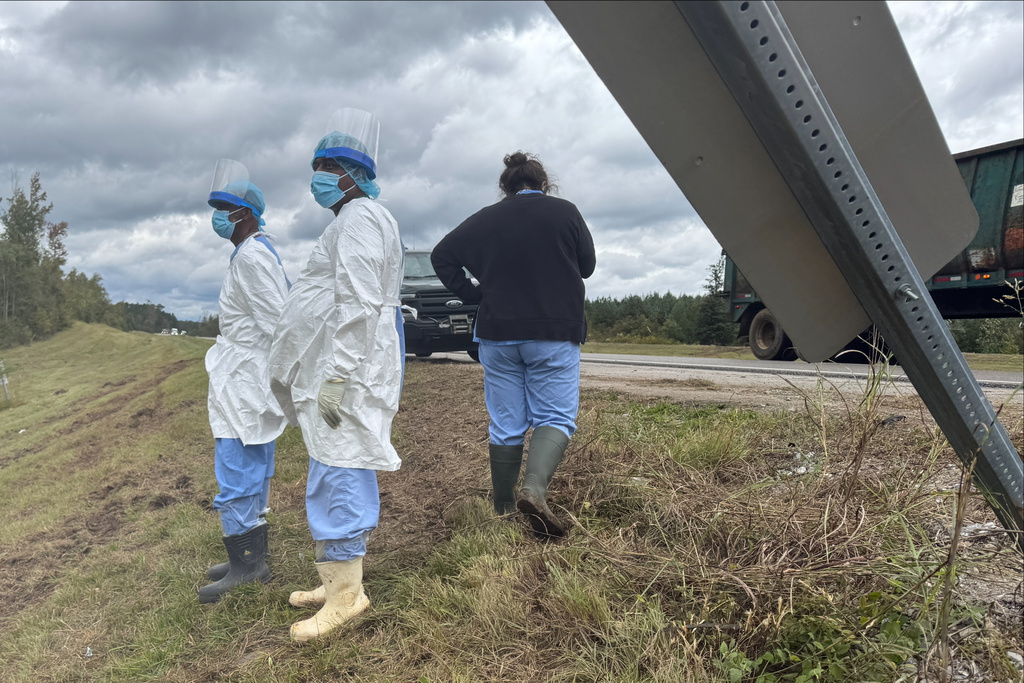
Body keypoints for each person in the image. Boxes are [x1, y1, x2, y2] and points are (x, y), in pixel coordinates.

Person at [269, 108, 404, 642]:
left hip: (348, 368)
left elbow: (359, 302)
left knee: (339, 468)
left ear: (353, 174)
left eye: (328, 165)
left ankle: (348, 596)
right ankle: (339, 579)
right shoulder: (356, 220)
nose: (318, 175)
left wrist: (340, 375)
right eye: (316, 165)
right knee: (335, 464)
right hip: (341, 365)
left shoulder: (361, 219)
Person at [431, 151, 596, 537]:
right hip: (553, 330)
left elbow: (442, 255)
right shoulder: (565, 211)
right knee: (554, 417)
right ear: (543, 184)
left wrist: (472, 293)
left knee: (506, 424)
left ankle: (504, 508)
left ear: (505, 189)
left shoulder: (484, 219)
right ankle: (534, 491)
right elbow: (586, 266)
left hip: (496, 333)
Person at [199, 159, 291, 603]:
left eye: (226, 207)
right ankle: (249, 552)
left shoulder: (253, 257)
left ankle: (247, 564)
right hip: (245, 375)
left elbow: (277, 321)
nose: (218, 215)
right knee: (250, 462)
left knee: (236, 465)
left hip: (245, 378)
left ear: (246, 214)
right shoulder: (251, 253)